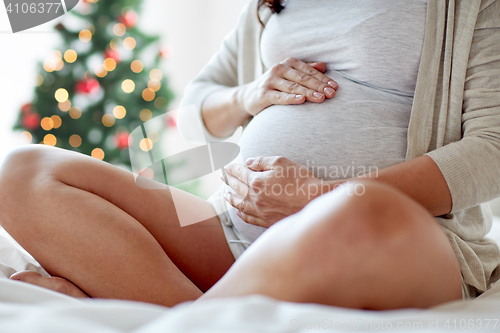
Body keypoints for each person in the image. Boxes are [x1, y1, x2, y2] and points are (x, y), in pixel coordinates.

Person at [0, 0, 498, 310]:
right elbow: (194, 111)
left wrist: (323, 197)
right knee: (22, 172)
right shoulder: (270, 5)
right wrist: (248, 95)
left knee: (359, 210)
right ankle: (195, 313)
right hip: (236, 230)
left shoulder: (470, 6)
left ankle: (178, 317)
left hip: (396, 235)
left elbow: (491, 150)